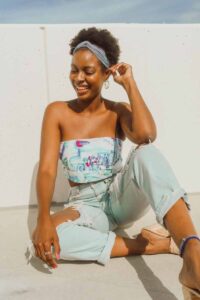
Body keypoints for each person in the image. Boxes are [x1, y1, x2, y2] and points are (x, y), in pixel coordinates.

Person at [31, 27, 200, 299]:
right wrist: (42, 220)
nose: (79, 78)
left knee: (146, 152)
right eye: (74, 70)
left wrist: (130, 84)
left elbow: (146, 135)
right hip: (85, 206)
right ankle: (150, 245)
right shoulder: (57, 112)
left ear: (107, 73)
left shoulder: (117, 110)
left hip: (119, 198)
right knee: (49, 242)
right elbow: (48, 170)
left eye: (88, 71)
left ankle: (193, 253)